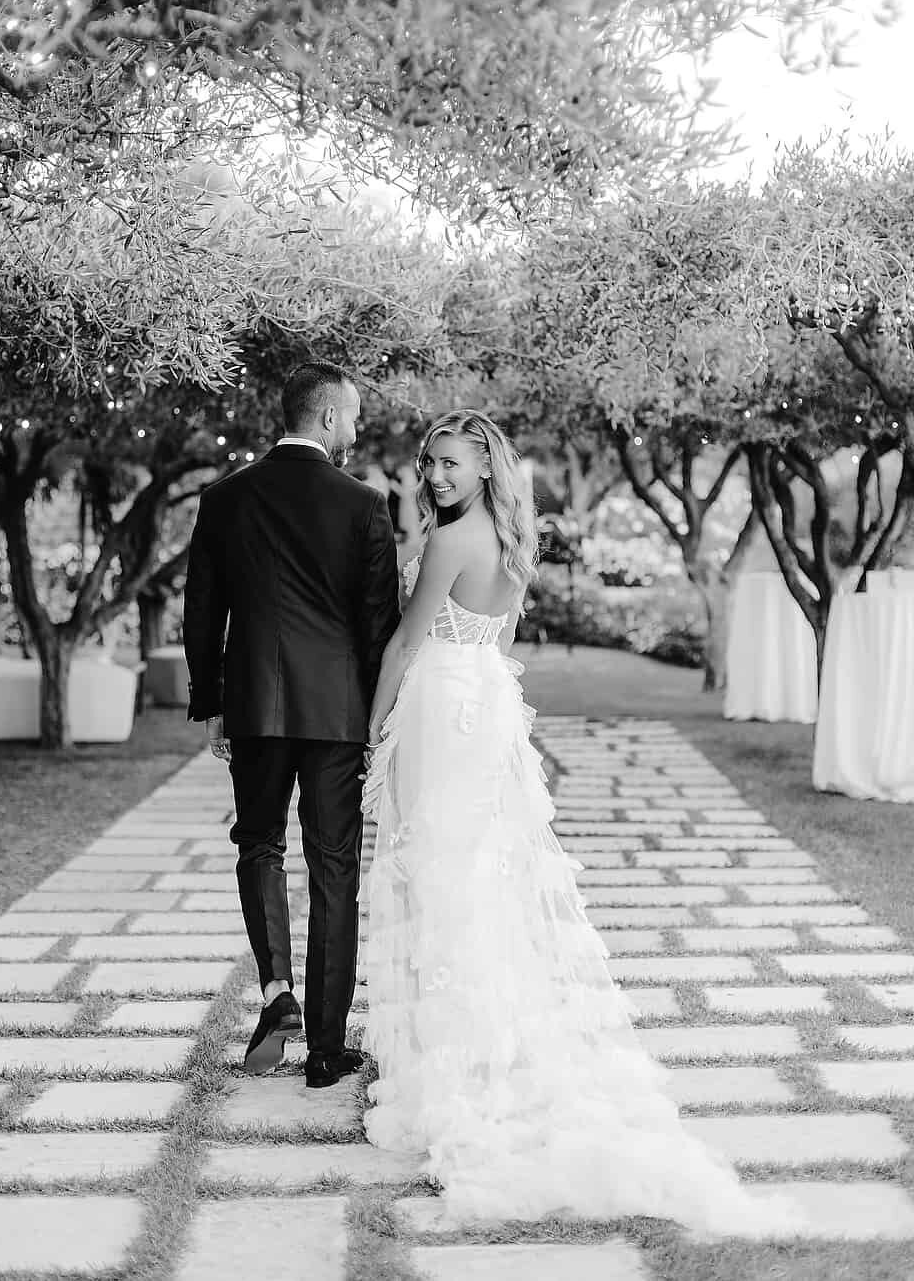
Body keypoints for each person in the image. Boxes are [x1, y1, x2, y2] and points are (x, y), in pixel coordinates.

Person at [360, 409, 788, 1232]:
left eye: (448, 463)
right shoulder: (513, 545)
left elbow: (405, 643)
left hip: (439, 708)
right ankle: (479, 1041)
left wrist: (369, 732)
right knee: (475, 871)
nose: (434, 477)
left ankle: (450, 1064)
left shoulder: (450, 542)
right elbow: (498, 642)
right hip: (483, 708)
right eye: (428, 464)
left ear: (485, 466)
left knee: (436, 871)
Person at [183, 362, 400, 1089]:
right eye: (357, 416)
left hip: (254, 705)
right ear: (330, 417)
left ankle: (278, 994)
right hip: (337, 713)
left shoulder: (225, 498)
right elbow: (378, 626)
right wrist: (380, 718)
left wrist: (211, 702)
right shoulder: (366, 505)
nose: (359, 429)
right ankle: (328, 1051)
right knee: (335, 868)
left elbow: (202, 610)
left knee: (258, 844)